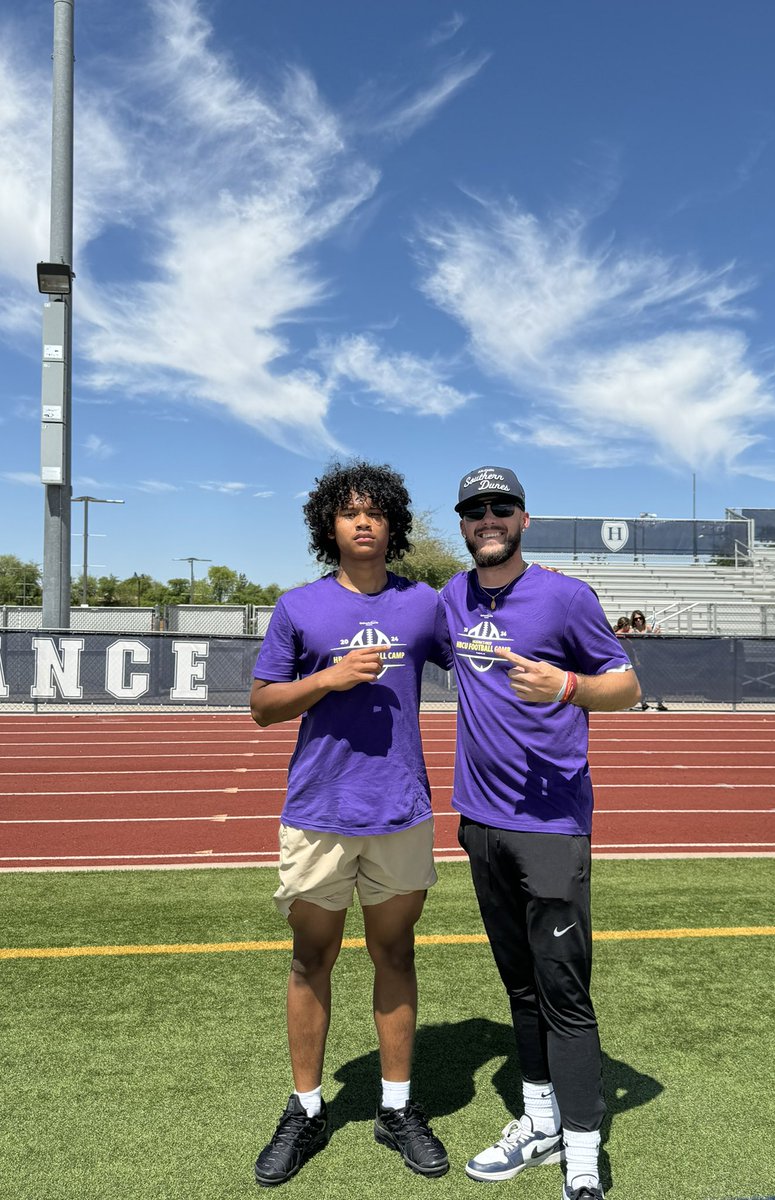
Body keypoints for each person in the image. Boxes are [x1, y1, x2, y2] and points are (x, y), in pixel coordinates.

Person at [441, 465, 641, 1200]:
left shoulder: (565, 596)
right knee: (519, 987)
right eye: (474, 510)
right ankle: (539, 1123)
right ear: (463, 524)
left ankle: (583, 1150)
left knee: (564, 993)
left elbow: (626, 686)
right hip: (481, 824)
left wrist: (565, 685)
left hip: (552, 827)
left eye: (500, 507)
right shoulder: (452, 599)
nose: (487, 518)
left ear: (524, 517)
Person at [250, 460, 451, 1187]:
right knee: (312, 959)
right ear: (327, 526)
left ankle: (397, 1107)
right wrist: (328, 679)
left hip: (400, 810)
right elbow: (263, 706)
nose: (362, 522)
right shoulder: (298, 607)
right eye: (348, 512)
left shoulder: (424, 605)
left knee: (395, 955)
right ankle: (305, 1110)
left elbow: (481, 666)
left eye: (375, 512)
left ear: (392, 525)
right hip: (318, 815)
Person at [628, 611, 668, 711]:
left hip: (651, 657)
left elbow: (656, 640)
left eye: (640, 618)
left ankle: (659, 702)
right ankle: (643, 703)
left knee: (655, 680)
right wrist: (636, 659)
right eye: (636, 619)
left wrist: (657, 634)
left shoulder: (649, 628)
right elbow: (631, 646)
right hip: (640, 658)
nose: (638, 620)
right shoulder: (633, 631)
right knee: (642, 682)